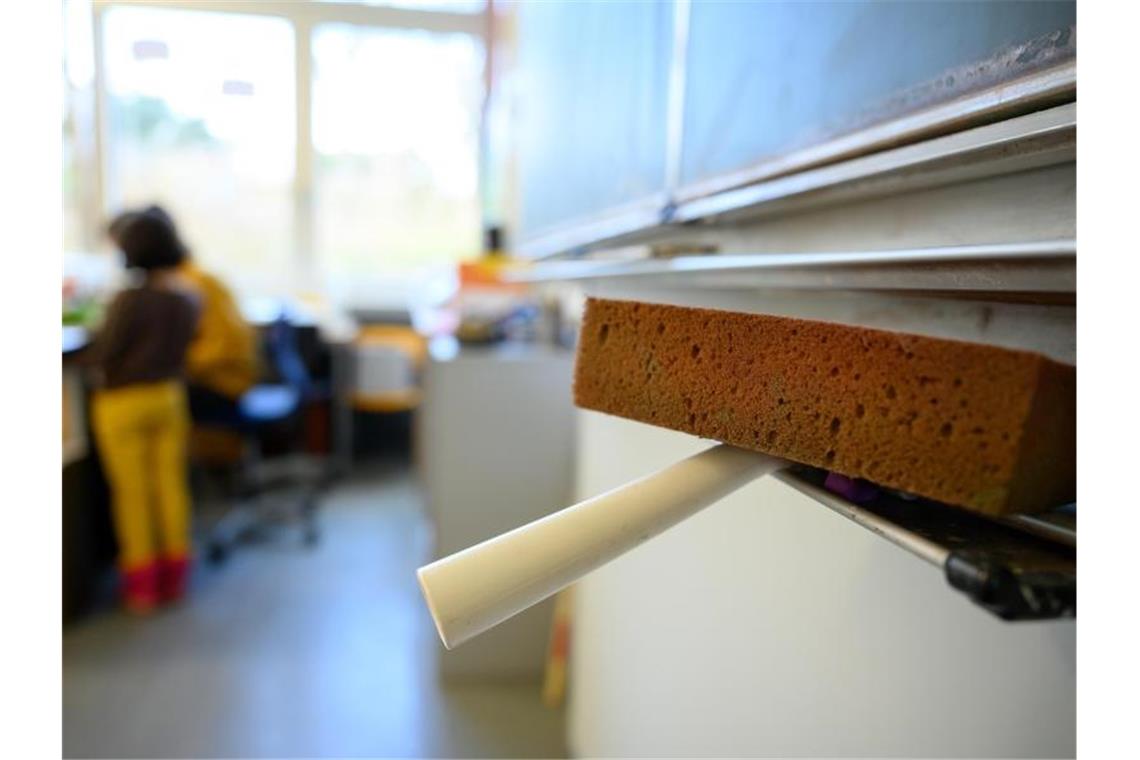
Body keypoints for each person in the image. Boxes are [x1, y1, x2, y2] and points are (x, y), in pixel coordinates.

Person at [91, 209, 201, 613]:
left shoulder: (128, 300)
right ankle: (176, 576)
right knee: (170, 487)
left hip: (123, 401)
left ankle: (143, 586)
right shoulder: (187, 297)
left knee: (133, 494)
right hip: (168, 398)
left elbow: (106, 350)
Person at [109, 206, 259, 426]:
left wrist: (172, 363)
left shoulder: (186, 286)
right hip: (218, 378)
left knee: (135, 396)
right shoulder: (190, 279)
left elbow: (224, 346)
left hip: (222, 384)